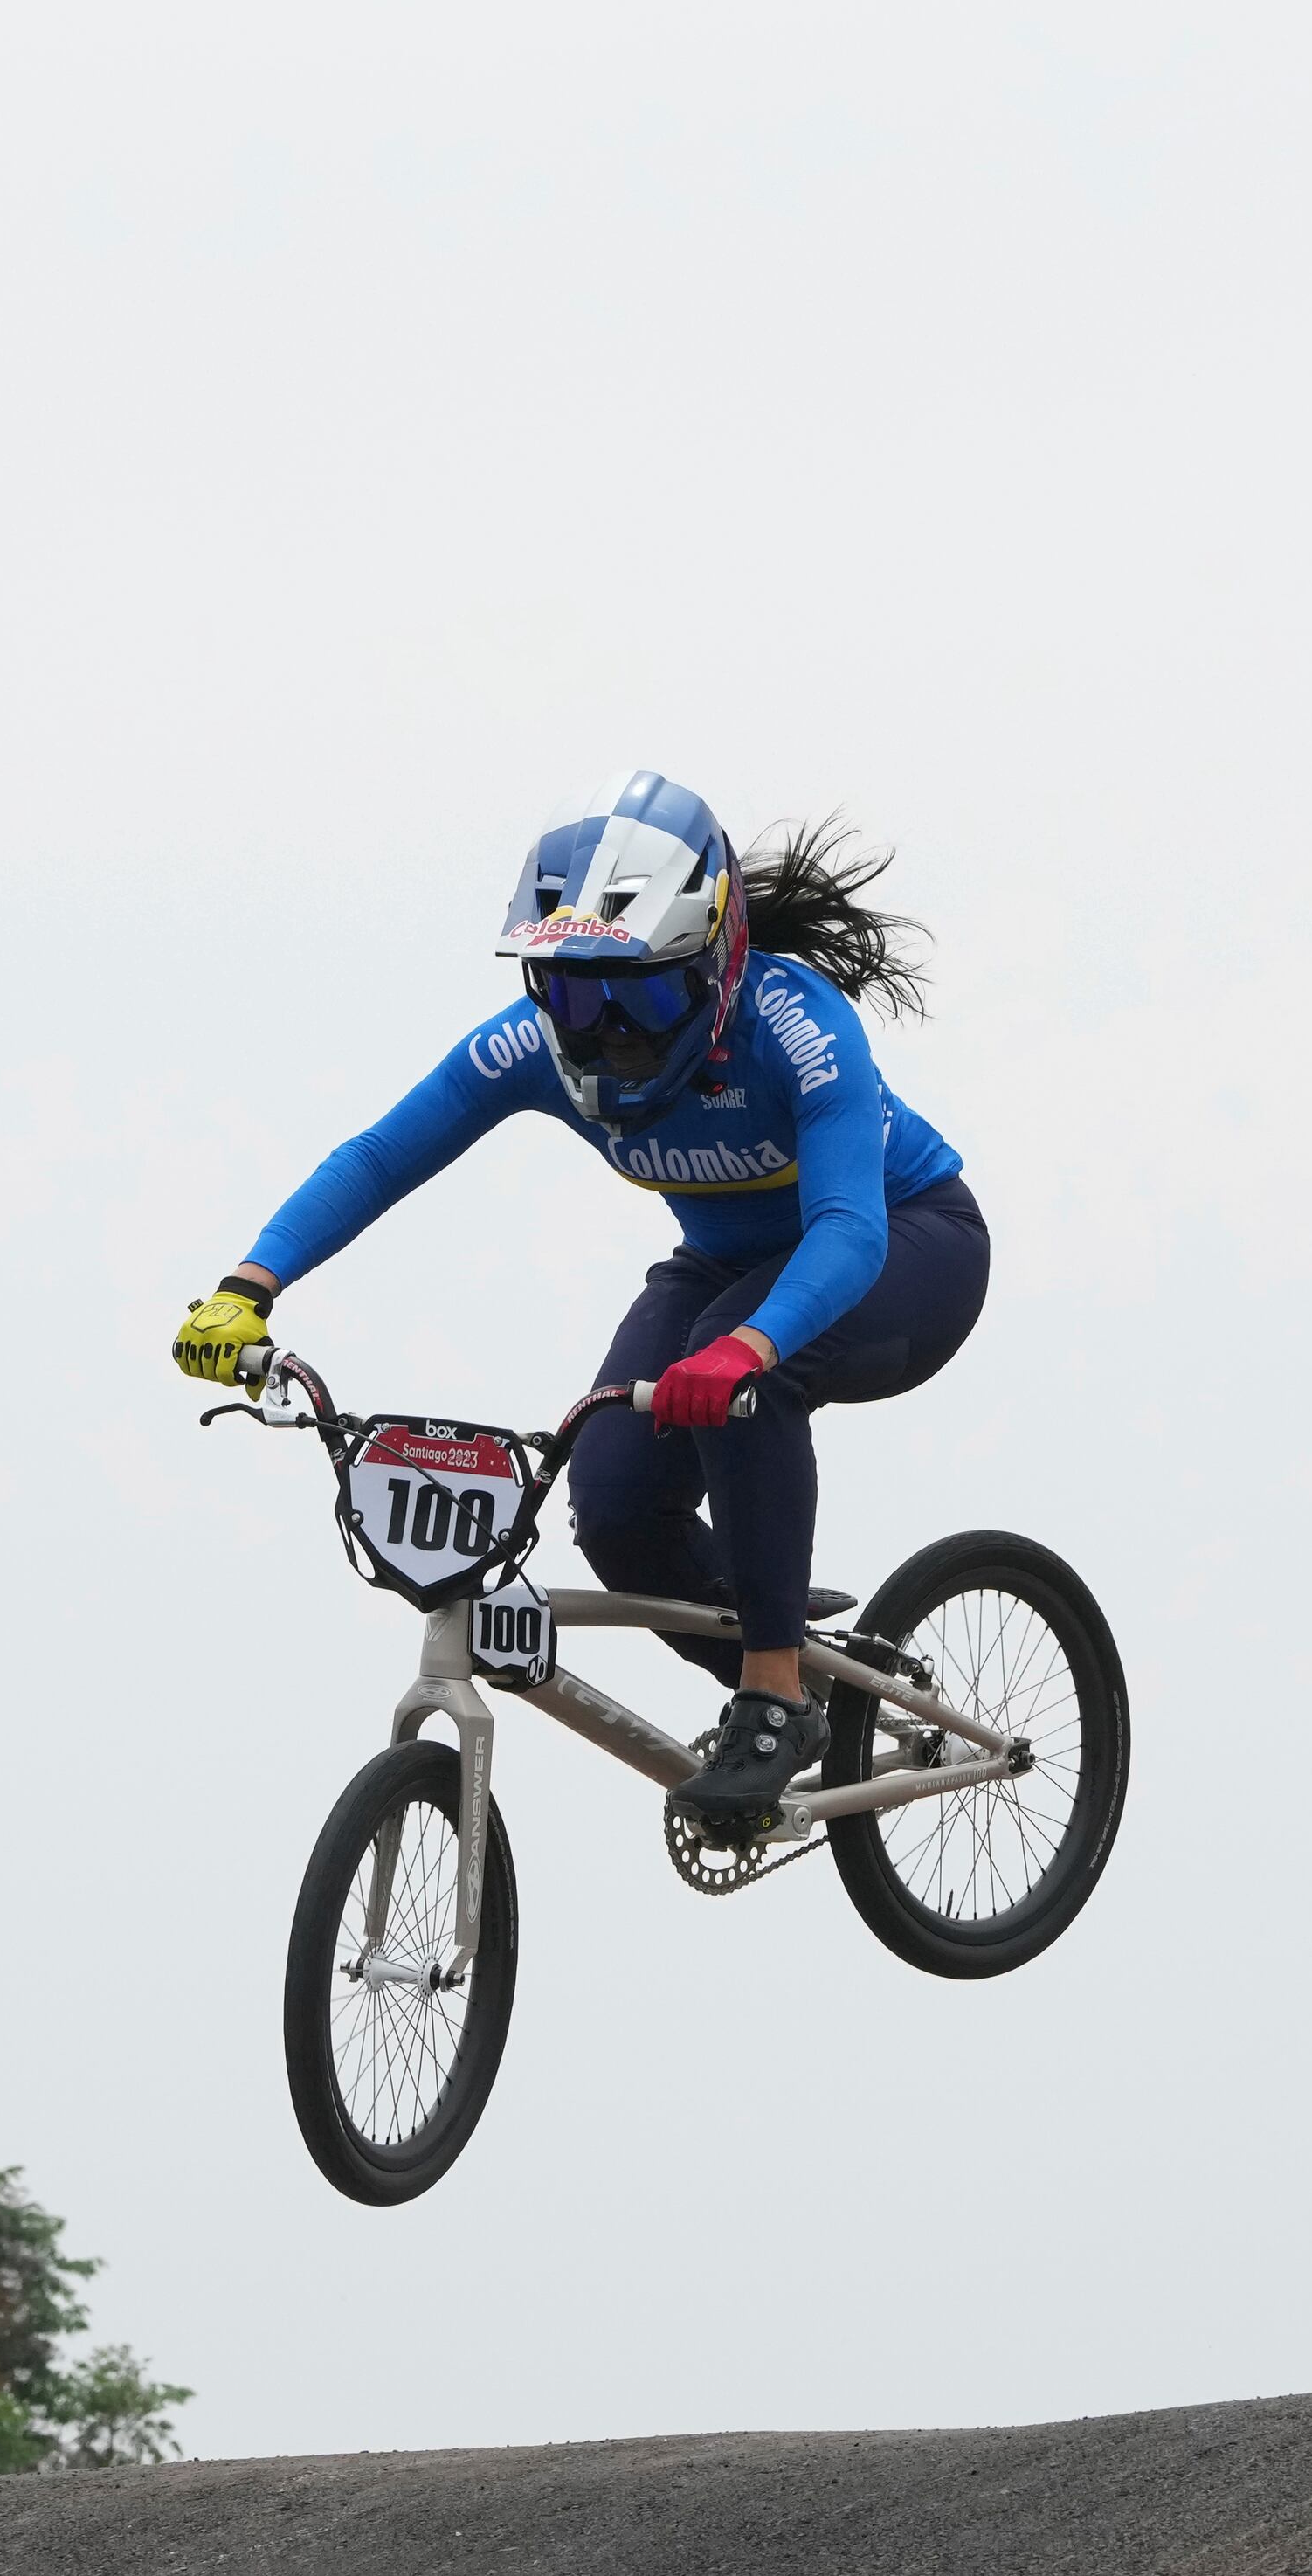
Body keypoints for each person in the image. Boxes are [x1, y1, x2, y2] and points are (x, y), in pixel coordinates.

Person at [171, 771, 986, 1839]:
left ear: (712, 964)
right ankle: (799, 1670)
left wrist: (749, 1343)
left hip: (905, 1244)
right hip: (723, 1269)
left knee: (737, 1372)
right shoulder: (536, 1049)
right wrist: (249, 1286)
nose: (600, 1030)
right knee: (610, 1505)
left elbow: (847, 1228)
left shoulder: (794, 1024)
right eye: (565, 991)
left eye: (635, 995)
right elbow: (380, 1157)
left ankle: (776, 1695)